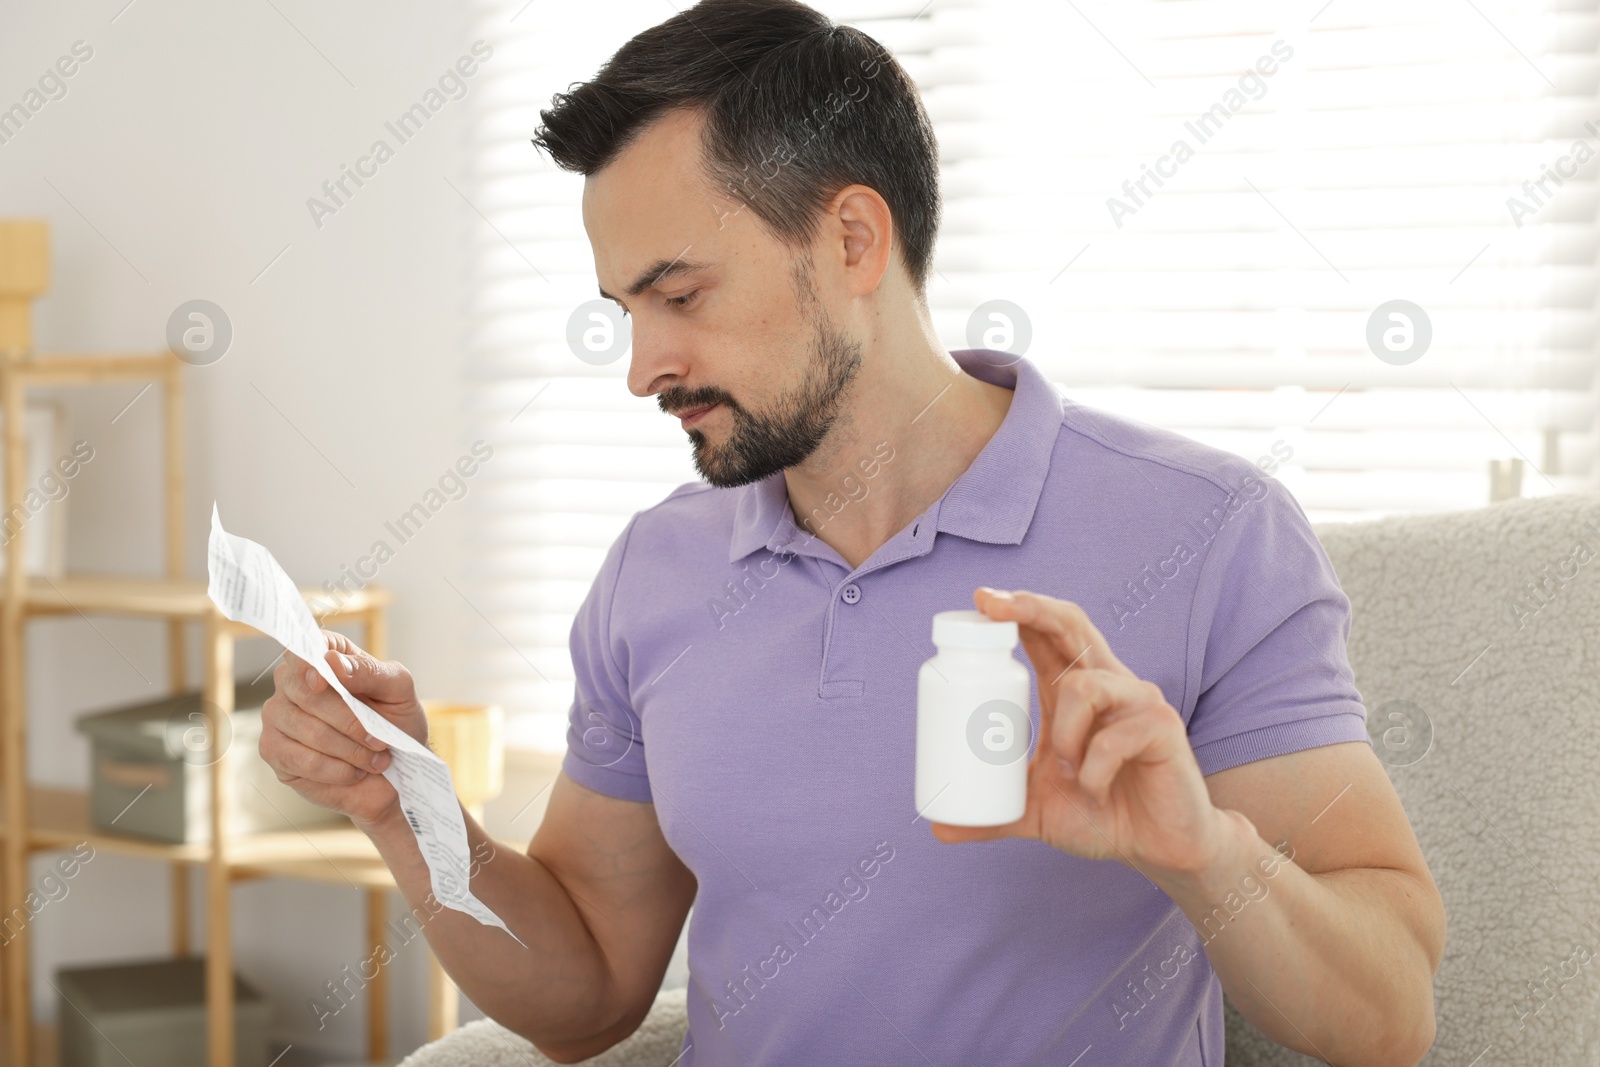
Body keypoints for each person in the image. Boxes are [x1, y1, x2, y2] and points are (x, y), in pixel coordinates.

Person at [260, 1, 1446, 1063]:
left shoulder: (1209, 532)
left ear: (851, 242)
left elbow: (1388, 1016)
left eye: (680, 295)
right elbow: (585, 997)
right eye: (626, 311)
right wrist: (398, 797)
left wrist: (1205, 855)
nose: (641, 367)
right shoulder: (656, 574)